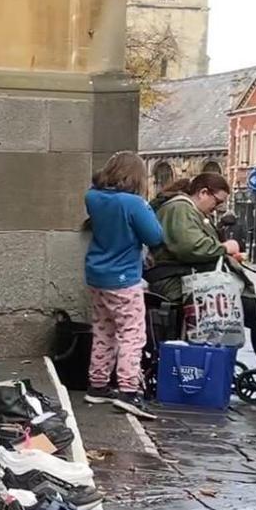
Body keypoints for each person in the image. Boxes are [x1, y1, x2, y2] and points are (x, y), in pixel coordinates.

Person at [147, 172, 256, 410]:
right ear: (203, 192)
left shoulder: (185, 209)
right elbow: (190, 247)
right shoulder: (180, 208)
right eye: (216, 202)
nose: (215, 209)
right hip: (182, 284)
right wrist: (224, 247)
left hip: (189, 281)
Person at [82, 152, 163, 418]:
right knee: (132, 334)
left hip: (97, 274)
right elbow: (154, 235)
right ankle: (128, 390)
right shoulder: (134, 203)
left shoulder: (93, 197)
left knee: (103, 330)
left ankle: (98, 384)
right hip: (124, 278)